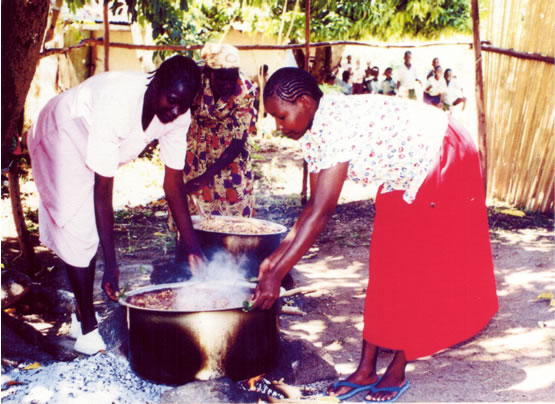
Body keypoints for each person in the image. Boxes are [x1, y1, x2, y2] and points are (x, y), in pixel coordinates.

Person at [253, 67, 498, 402]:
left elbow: (323, 213)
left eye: (281, 117)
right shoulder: (316, 130)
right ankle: (366, 368)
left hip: (442, 151)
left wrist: (278, 275)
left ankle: (397, 369)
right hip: (407, 171)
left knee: (414, 269)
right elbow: (311, 207)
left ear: (306, 103)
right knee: (385, 265)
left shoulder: (333, 125)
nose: (279, 127)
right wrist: (272, 262)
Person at [27, 55, 206, 355]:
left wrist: (194, 249)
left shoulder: (178, 116)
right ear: (156, 82)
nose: (175, 111)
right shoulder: (119, 103)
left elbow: (173, 184)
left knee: (82, 232)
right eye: (172, 100)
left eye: (184, 105)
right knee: (80, 229)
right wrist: (112, 265)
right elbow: (104, 190)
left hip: (91, 144)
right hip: (62, 134)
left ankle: (81, 314)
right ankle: (87, 328)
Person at [183, 43, 257, 218]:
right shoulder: (193, 80)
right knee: (193, 203)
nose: (228, 85)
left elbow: (239, 140)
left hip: (229, 149)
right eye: (222, 79)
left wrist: (206, 177)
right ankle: (192, 243)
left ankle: (235, 243)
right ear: (209, 73)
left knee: (235, 201)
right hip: (195, 146)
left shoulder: (244, 90)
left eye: (232, 78)